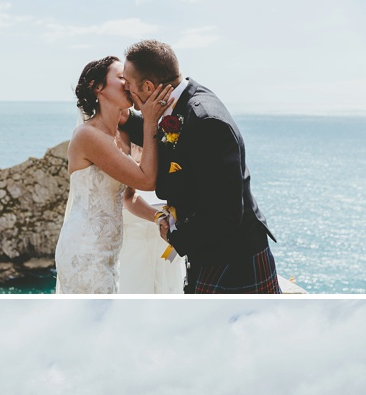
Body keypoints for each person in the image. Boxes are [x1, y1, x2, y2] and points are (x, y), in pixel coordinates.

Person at [122, 40, 280, 294]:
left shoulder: (205, 121)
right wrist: (124, 118)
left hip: (234, 259)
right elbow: (169, 142)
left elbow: (225, 214)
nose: (127, 95)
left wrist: (176, 237)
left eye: (129, 88)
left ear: (149, 87)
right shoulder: (182, 101)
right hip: (214, 251)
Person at [54, 56, 172, 293]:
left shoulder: (122, 137)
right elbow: (147, 180)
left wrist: (158, 217)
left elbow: (128, 197)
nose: (129, 84)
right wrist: (150, 120)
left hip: (109, 252)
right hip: (85, 251)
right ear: (97, 87)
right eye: (121, 78)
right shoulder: (88, 136)